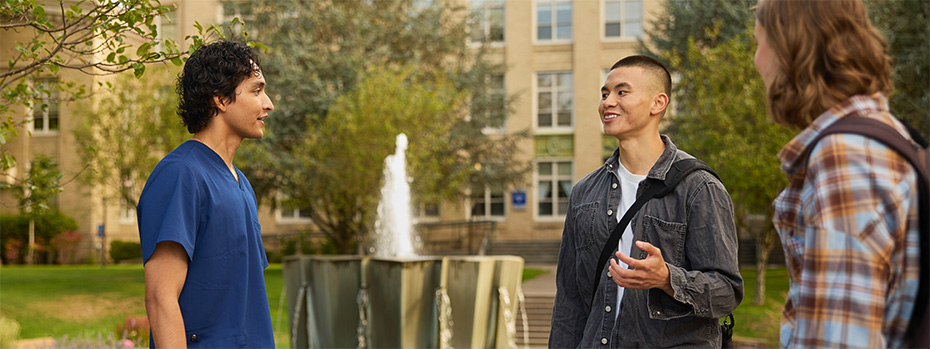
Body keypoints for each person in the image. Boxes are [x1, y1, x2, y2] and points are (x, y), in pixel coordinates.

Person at [753, 0, 921, 347]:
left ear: (790, 50)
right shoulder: (887, 134)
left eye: (758, 44)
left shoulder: (843, 157)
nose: (756, 62)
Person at [549, 55, 743, 348]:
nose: (607, 102)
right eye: (605, 94)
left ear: (658, 103)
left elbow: (727, 291)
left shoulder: (698, 187)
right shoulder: (583, 193)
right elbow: (569, 301)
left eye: (621, 92)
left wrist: (667, 279)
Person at [137, 40, 275, 348]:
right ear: (222, 99)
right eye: (256, 90)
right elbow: (161, 298)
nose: (268, 103)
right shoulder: (180, 175)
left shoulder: (241, 183)